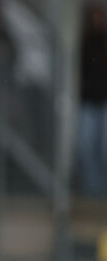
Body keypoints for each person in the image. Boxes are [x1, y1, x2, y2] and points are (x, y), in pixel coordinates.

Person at [78, 2, 107, 197]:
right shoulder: (85, 42)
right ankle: (93, 191)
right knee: (86, 146)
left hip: (104, 100)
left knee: (104, 149)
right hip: (88, 101)